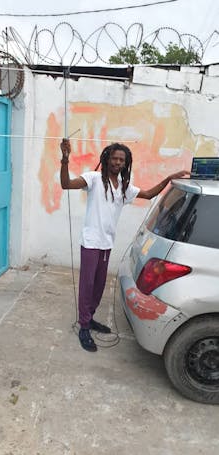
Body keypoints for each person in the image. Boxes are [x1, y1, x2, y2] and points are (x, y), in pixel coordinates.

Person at [60, 139, 189, 352]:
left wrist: (169, 179)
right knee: (87, 285)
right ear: (107, 159)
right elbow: (66, 184)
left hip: (106, 243)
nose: (118, 162)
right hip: (91, 242)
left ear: (125, 162)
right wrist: (65, 159)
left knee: (100, 284)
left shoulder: (123, 186)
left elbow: (148, 194)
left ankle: (89, 318)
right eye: (114, 158)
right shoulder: (93, 179)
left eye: (122, 159)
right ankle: (83, 326)